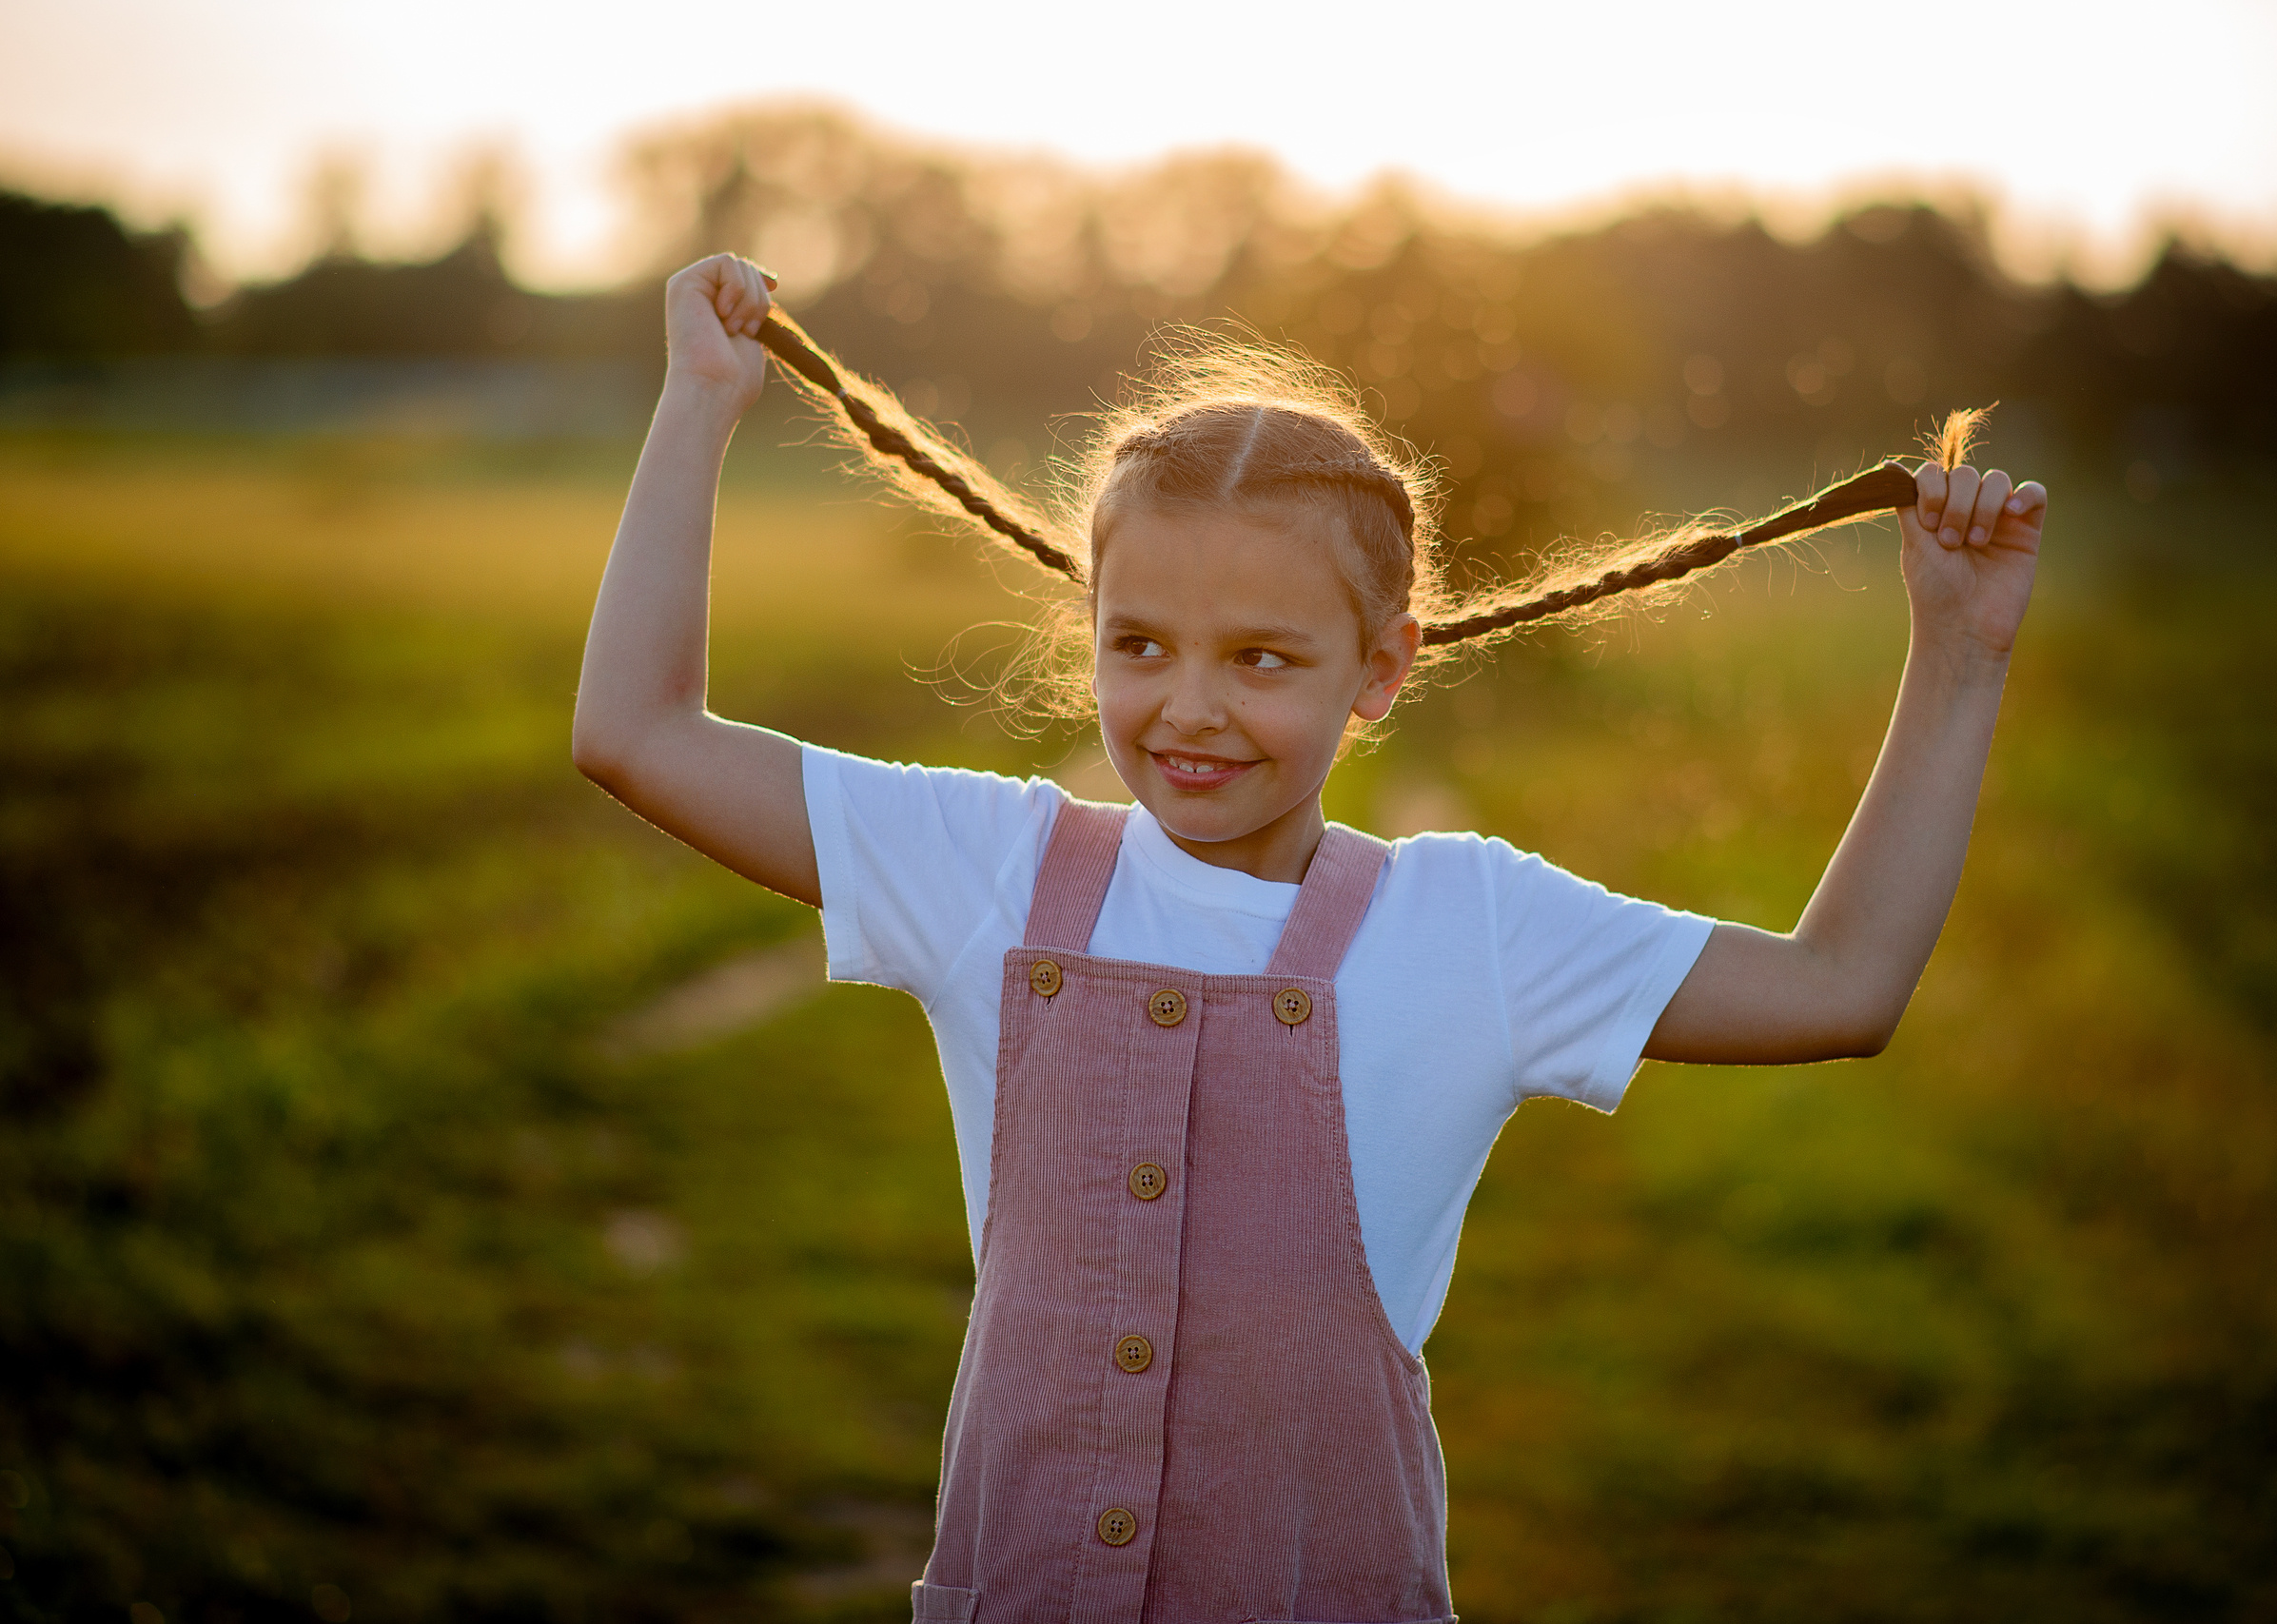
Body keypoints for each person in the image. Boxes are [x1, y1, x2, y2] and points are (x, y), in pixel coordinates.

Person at [572, 253, 2050, 1622]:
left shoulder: (1467, 925)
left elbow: (1839, 984)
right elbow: (635, 733)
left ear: (1381, 668)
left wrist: (1961, 654)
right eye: (1138, 643)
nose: (1190, 708)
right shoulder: (995, 870)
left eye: (1263, 659)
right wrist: (701, 405)